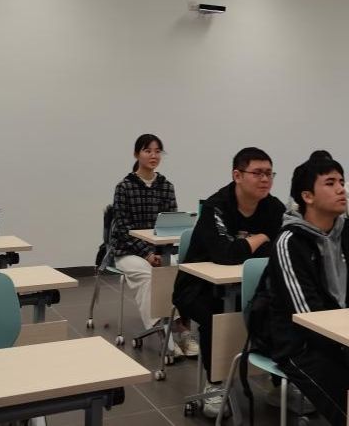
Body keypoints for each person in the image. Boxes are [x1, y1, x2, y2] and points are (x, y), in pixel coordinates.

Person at [173, 147, 286, 418]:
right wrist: (261, 238)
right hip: (198, 286)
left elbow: (282, 247)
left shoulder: (273, 207)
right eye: (257, 173)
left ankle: (279, 383)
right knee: (217, 315)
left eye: (269, 173)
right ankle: (215, 384)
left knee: (279, 308)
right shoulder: (216, 206)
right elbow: (224, 254)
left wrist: (247, 246)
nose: (265, 179)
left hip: (249, 283)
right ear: (237, 175)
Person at [258, 157, 349, 426]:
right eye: (330, 183)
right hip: (302, 345)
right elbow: (307, 315)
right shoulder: (290, 242)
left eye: (341, 181)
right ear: (307, 196)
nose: (341, 189)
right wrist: (347, 345)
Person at [107, 134, 195, 357]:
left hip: (160, 250)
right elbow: (123, 229)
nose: (153, 155)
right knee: (147, 275)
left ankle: (182, 329)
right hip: (127, 250)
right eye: (148, 151)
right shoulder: (124, 187)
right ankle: (165, 332)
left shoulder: (166, 186)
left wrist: (158, 252)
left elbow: (172, 226)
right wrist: (147, 254)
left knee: (181, 272)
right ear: (137, 154)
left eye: (157, 151)